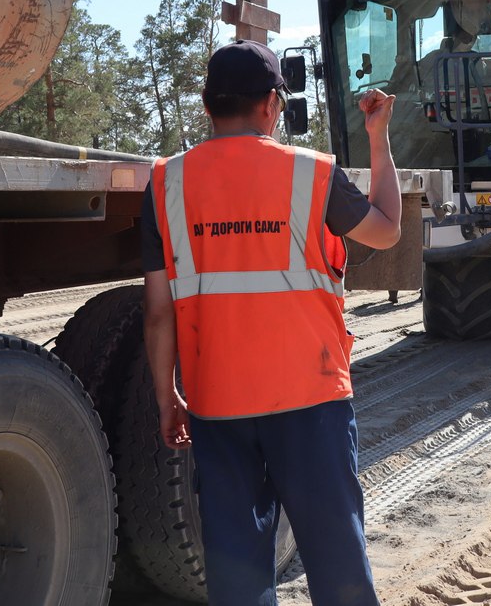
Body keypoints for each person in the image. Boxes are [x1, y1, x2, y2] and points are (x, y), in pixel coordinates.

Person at [141, 39, 401, 606]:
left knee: (237, 575)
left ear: (208, 106)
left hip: (218, 404)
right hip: (309, 397)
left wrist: (169, 400)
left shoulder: (166, 184)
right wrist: (379, 139)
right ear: (270, 106)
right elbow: (386, 230)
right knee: (337, 562)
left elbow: (159, 313)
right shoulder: (310, 173)